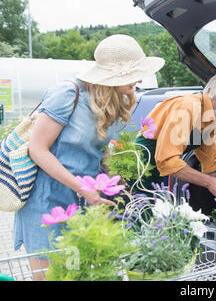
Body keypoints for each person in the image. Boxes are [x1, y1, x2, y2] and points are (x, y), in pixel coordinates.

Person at [12, 34, 164, 280]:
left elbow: (97, 150)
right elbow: (37, 149)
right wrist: (82, 187)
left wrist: (112, 176)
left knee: (75, 274)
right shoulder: (67, 94)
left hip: (83, 202)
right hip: (48, 201)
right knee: (51, 277)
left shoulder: (111, 101)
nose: (139, 79)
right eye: (133, 73)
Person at [136, 68, 216, 211]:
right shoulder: (187, 107)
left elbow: (211, 163)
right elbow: (168, 161)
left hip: (156, 176)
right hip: (137, 173)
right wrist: (210, 183)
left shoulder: (212, 116)